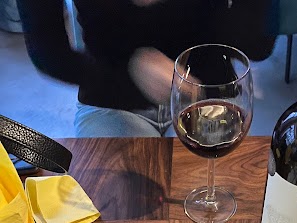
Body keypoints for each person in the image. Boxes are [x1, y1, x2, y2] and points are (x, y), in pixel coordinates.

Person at [16, 0, 276, 137]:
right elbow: (48, 52)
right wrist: (130, 73)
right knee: (118, 215)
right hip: (111, 100)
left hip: (208, 92)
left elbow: (255, 47)